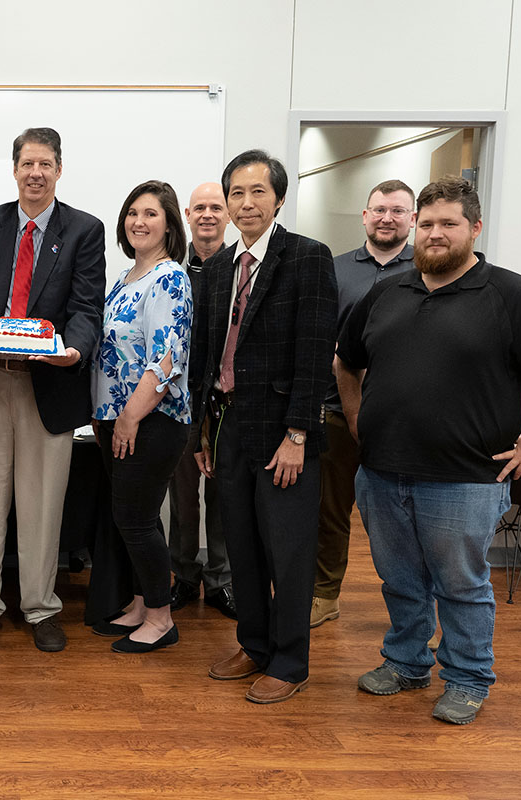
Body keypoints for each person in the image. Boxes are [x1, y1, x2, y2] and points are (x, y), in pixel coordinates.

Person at [336, 176, 521, 725]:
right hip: (382, 471)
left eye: (448, 224)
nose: (434, 233)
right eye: (426, 224)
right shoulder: (388, 291)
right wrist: (359, 416)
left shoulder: (514, 295)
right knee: (400, 579)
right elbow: (346, 360)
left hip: (466, 479)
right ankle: (406, 663)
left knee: (461, 585)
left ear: (474, 228)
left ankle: (468, 677)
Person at [0, 127, 105, 653]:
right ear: (14, 169)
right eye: (26, 164)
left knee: (42, 507)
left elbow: (86, 309)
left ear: (59, 169)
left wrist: (75, 350)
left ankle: (40, 608)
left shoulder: (85, 230)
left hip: (49, 388)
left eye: (45, 164)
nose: (35, 173)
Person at [190, 149, 337, 704]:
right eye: (236, 193)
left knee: (288, 550)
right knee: (241, 547)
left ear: (278, 197)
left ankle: (290, 661)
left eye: (257, 192)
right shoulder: (214, 270)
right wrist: (204, 432)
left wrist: (298, 435)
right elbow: (207, 357)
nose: (246, 203)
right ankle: (253, 643)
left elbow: (315, 353)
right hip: (228, 426)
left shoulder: (307, 257)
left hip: (283, 434)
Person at [91, 181, 192, 654]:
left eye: (151, 213)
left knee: (135, 520)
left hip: (152, 418)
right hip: (117, 417)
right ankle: (140, 602)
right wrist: (107, 415)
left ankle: (161, 618)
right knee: (133, 518)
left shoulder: (170, 277)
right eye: (132, 212)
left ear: (170, 223)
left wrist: (130, 416)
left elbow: (166, 358)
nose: (139, 222)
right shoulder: (125, 277)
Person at [311, 179, 416, 629]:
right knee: (330, 511)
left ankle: (412, 611)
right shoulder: (335, 269)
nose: (387, 218)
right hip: (336, 412)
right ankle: (324, 595)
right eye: (379, 209)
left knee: (403, 518)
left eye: (397, 210)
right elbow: (320, 338)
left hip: (404, 419)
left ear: (411, 218)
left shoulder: (428, 270)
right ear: (365, 216)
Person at [167, 181, 235, 619]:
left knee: (224, 494)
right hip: (179, 401)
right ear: (187, 216)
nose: (208, 214)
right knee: (182, 495)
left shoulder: (241, 267)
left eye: (216, 207)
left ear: (227, 217)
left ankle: (222, 580)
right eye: (200, 208)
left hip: (227, 403)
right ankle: (185, 577)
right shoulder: (171, 269)